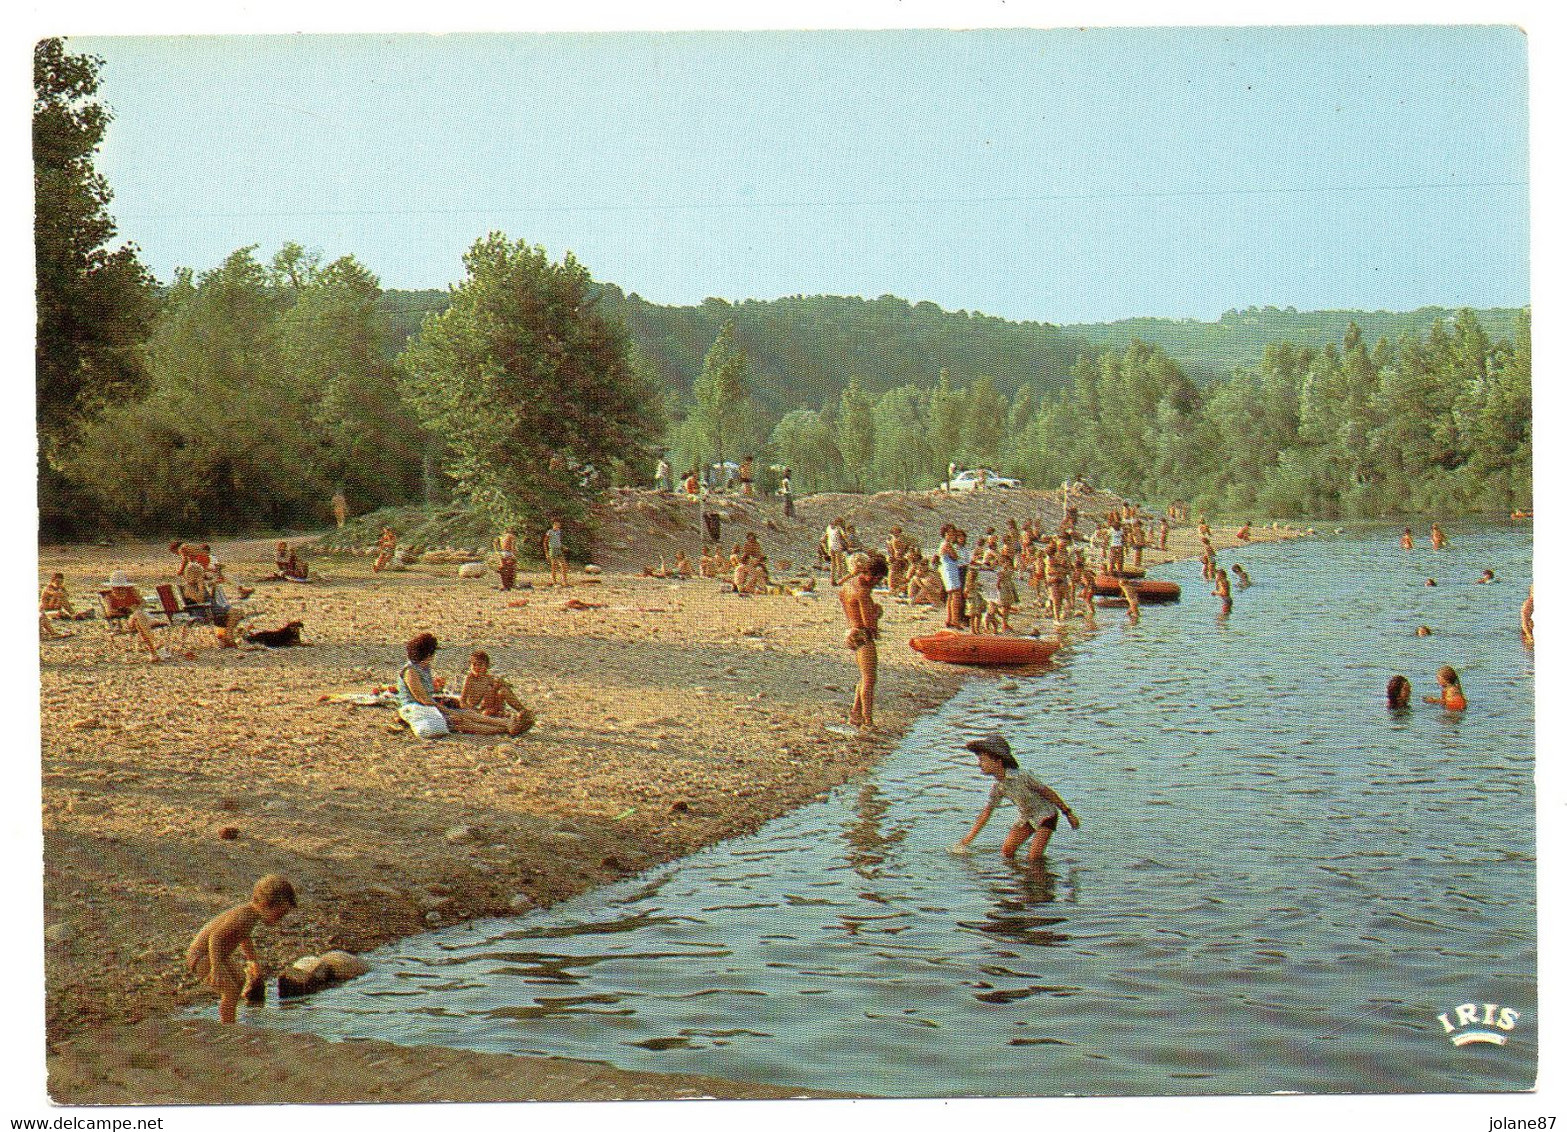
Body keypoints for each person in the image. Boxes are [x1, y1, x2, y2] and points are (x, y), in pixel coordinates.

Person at [186, 874, 297, 1023]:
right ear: (265, 904)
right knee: (230, 991)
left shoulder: (252, 916)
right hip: (201, 956)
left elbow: (244, 937)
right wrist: (216, 967)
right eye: (280, 914)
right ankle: (228, 1026)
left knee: (240, 979)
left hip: (219, 955)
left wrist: (253, 960)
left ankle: (230, 1018)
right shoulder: (243, 915)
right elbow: (215, 937)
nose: (280, 920)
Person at [950, 734, 1079, 863]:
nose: (979, 764)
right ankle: (1018, 876)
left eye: (983, 760)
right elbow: (986, 813)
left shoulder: (1022, 776)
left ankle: (1041, 877)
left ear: (998, 761)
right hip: (1027, 817)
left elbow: (1047, 792)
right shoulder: (998, 787)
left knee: (1033, 858)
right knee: (1007, 851)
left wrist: (1068, 813)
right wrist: (967, 840)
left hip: (1046, 815)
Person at [399, 633, 526, 735]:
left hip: (429, 706)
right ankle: (506, 726)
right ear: (427, 655)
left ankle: (507, 723)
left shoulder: (423, 668)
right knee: (462, 720)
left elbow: (426, 693)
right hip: (419, 709)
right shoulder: (411, 672)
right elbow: (424, 699)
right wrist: (448, 711)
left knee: (466, 715)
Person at [839, 551, 886, 731]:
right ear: (873, 576)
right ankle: (868, 721)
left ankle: (855, 714)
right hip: (862, 635)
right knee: (869, 678)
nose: (877, 584)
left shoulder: (848, 585)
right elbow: (870, 623)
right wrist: (877, 611)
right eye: (878, 580)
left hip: (851, 631)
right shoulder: (863, 592)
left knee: (864, 676)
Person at [458, 650, 535, 733]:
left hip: (492, 708)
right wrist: (473, 711)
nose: (476, 667)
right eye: (474, 664)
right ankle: (510, 725)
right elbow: (462, 702)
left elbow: (505, 690)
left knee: (502, 690)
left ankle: (523, 711)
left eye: (480, 665)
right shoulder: (470, 679)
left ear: (487, 666)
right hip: (477, 711)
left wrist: (501, 684)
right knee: (488, 707)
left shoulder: (488, 678)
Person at [101, 569, 165, 660]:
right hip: (128, 620)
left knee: (140, 621)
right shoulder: (109, 597)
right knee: (139, 615)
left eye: (121, 587)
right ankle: (155, 642)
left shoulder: (131, 591)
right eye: (116, 587)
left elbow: (143, 603)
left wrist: (136, 608)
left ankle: (153, 652)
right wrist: (123, 610)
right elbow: (109, 612)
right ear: (112, 587)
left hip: (140, 618)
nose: (119, 589)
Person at [180, 556, 241, 646]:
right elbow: (200, 600)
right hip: (203, 611)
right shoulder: (188, 588)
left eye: (200, 574)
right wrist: (201, 585)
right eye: (197, 574)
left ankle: (227, 636)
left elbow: (208, 597)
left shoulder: (197, 585)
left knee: (238, 612)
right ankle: (228, 637)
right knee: (235, 613)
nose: (200, 577)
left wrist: (213, 586)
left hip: (211, 607)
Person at [544, 519, 569, 587]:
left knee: (563, 565)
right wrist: (546, 553)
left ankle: (564, 581)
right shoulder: (549, 532)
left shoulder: (559, 532)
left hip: (558, 549)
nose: (558, 527)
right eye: (557, 526)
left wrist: (563, 547)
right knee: (554, 566)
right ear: (554, 525)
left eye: (559, 526)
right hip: (552, 550)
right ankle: (554, 581)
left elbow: (558, 541)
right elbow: (545, 542)